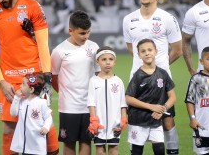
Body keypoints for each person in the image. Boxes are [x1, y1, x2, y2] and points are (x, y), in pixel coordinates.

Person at [0, 0, 59, 154]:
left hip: (34, 77)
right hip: (8, 79)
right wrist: (1, 81)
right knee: (9, 128)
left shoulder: (32, 6)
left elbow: (42, 44)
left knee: (44, 123)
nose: (0, 0)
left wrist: (46, 77)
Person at [123, 0, 182, 155]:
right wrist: (145, 71)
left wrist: (157, 71)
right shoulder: (128, 19)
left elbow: (177, 50)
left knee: (167, 121)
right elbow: (131, 49)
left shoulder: (167, 18)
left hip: (161, 82)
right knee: (135, 121)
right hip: (137, 79)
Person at [51, 10, 100, 155]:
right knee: (69, 142)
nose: (86, 36)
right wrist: (64, 93)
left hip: (89, 105)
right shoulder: (59, 51)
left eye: (88, 32)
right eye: (82, 33)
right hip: (69, 106)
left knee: (86, 141)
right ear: (70, 31)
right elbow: (54, 77)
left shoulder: (94, 47)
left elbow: (98, 74)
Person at [126, 39, 177, 155]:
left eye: (150, 50)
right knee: (137, 151)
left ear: (156, 51)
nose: (147, 53)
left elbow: (173, 97)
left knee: (159, 149)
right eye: (143, 51)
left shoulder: (163, 74)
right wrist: (151, 107)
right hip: (138, 119)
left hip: (156, 118)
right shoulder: (137, 76)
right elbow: (128, 98)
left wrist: (162, 109)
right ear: (139, 55)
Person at [87, 46, 128, 155]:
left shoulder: (118, 81)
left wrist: (123, 118)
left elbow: (123, 103)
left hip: (115, 123)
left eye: (110, 59)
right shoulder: (93, 81)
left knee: (114, 149)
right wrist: (93, 120)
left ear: (115, 62)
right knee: (99, 149)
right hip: (99, 123)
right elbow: (91, 103)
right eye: (104, 59)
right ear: (97, 62)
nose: (107, 62)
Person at [10, 72, 53, 154]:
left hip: (37, 144)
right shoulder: (21, 101)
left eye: (23, 84)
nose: (20, 86)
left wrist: (46, 127)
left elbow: (48, 117)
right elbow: (13, 113)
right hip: (25, 145)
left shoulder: (41, 103)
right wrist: (16, 98)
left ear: (31, 89)